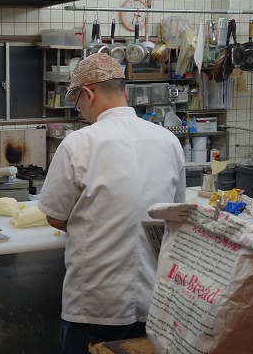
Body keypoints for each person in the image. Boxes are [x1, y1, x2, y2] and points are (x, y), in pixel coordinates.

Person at [37, 53, 186, 353]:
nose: (81, 111)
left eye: (78, 102)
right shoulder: (168, 141)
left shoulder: (79, 143)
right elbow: (176, 211)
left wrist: (95, 224)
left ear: (89, 94)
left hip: (95, 299)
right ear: (125, 91)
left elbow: (54, 216)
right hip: (152, 296)